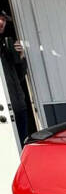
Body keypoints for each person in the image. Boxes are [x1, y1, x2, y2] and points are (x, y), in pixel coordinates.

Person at [0, 10, 29, 143]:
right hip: (4, 110)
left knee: (23, 144)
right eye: (0, 18)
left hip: (18, 106)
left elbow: (20, 76)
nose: (2, 22)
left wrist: (20, 56)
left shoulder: (6, 45)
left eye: (4, 19)